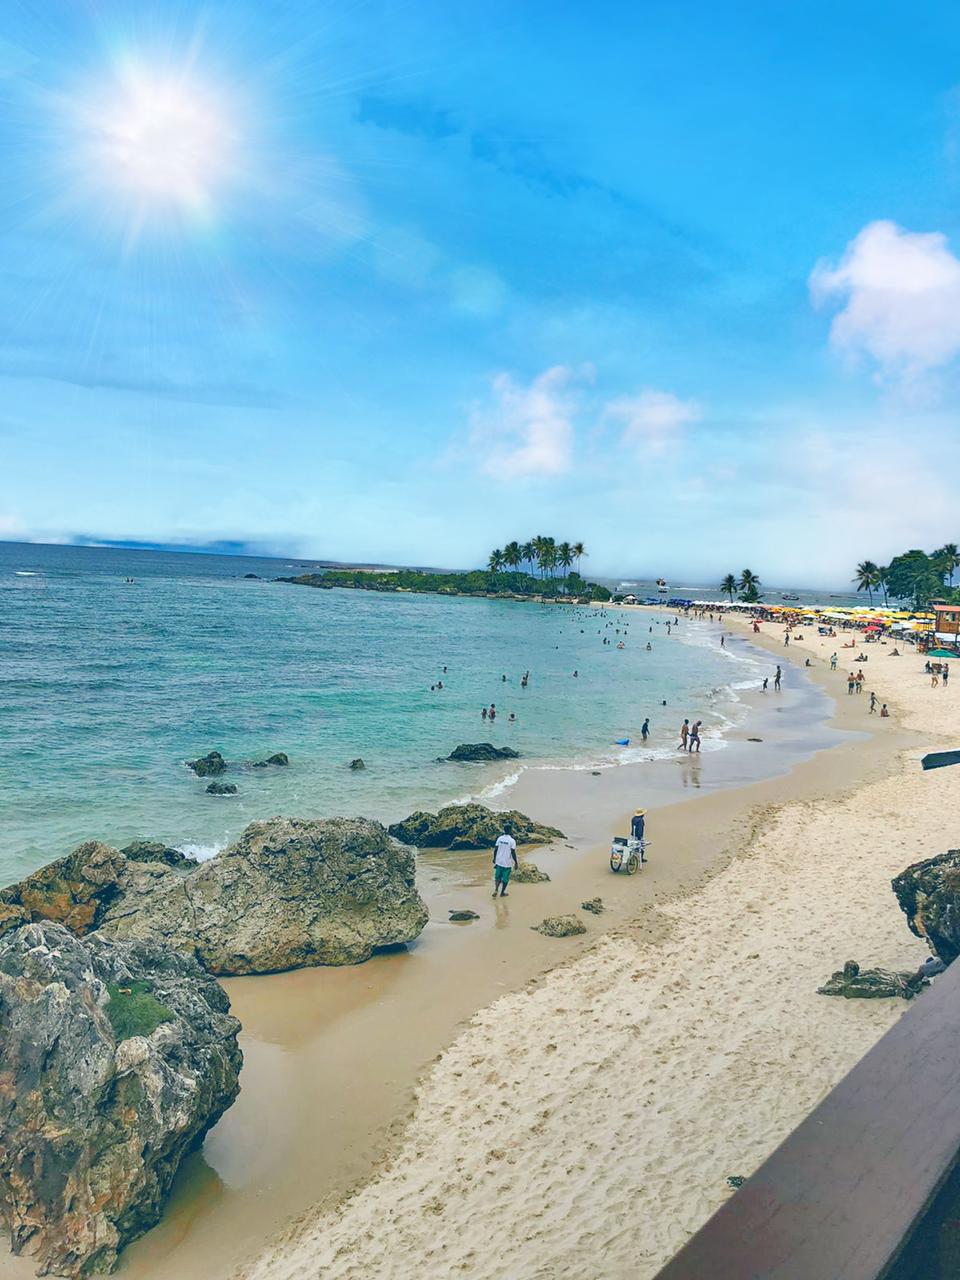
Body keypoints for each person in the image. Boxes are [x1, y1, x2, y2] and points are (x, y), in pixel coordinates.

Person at [492, 826, 518, 897]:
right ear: (510, 830)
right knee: (505, 880)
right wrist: (516, 862)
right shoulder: (512, 841)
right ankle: (502, 893)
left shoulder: (499, 838)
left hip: (499, 862)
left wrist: (494, 859)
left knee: (498, 877)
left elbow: (495, 849)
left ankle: (496, 890)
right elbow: (513, 852)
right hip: (507, 863)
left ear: (504, 830)